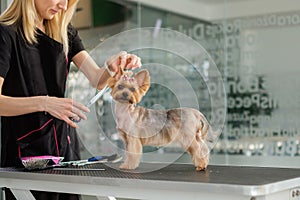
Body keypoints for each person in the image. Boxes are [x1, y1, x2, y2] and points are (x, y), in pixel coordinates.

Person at [0, 0, 142, 199]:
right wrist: (45, 103)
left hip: (65, 150)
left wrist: (112, 67)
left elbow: (97, 78)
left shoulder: (65, 32)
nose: (64, 6)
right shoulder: (5, 34)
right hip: (25, 154)